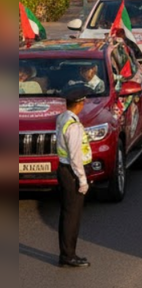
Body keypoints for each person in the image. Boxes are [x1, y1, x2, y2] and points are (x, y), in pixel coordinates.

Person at [56, 86, 93, 268]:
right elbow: (75, 156)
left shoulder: (62, 118)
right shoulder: (74, 126)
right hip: (72, 173)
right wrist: (83, 180)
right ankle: (69, 255)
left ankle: (66, 253)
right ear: (79, 104)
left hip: (63, 170)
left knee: (66, 214)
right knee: (72, 216)